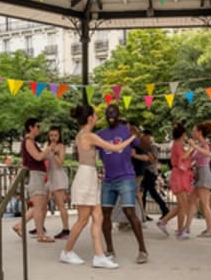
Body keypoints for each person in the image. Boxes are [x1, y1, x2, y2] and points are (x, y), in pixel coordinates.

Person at [60, 104, 136, 269]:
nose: (97, 117)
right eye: (95, 115)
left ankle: (99, 255)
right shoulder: (88, 135)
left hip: (90, 177)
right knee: (83, 219)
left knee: (98, 217)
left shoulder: (83, 135)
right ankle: (66, 252)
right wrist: (132, 137)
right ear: (90, 118)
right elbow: (116, 148)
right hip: (86, 177)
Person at [96, 104, 149, 264]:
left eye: (114, 114)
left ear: (118, 115)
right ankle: (110, 249)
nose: (111, 116)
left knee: (129, 212)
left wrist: (138, 134)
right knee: (105, 214)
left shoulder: (126, 131)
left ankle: (142, 250)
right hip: (108, 179)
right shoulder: (101, 134)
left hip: (126, 177)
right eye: (108, 114)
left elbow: (144, 146)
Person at [14, 118, 54, 242]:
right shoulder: (28, 141)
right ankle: (40, 235)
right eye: (37, 126)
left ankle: (19, 225)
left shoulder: (30, 141)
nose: (39, 129)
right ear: (31, 127)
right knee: (38, 207)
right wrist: (49, 148)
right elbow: (38, 157)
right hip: (36, 176)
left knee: (41, 206)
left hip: (39, 176)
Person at [157, 123, 196, 239]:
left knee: (182, 204)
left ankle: (164, 221)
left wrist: (191, 150)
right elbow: (183, 157)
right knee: (184, 205)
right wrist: (192, 147)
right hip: (179, 176)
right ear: (183, 134)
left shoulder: (177, 145)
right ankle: (180, 230)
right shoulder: (177, 145)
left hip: (182, 175)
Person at [134, 128, 169, 223]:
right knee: (145, 193)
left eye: (144, 136)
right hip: (146, 172)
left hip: (150, 172)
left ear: (147, 136)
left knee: (152, 192)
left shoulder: (153, 146)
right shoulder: (147, 145)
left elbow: (152, 159)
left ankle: (164, 209)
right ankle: (144, 213)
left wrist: (145, 153)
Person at [44, 127, 71, 239]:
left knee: (61, 205)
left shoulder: (61, 147)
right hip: (50, 177)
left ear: (59, 136)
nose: (53, 138)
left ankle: (66, 229)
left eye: (55, 135)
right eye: (51, 135)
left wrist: (54, 153)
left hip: (58, 177)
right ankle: (40, 226)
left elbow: (60, 163)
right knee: (42, 203)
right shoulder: (48, 146)